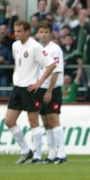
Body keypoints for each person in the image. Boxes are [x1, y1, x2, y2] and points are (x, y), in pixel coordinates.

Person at [6, 20, 57, 164]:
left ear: (27, 32)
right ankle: (25, 150)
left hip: (30, 88)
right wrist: (15, 76)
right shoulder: (15, 45)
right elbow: (18, 62)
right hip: (18, 87)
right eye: (15, 31)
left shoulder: (35, 47)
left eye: (19, 31)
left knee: (33, 122)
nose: (16, 34)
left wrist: (39, 82)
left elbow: (51, 64)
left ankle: (38, 156)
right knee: (9, 121)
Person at [36, 21, 67, 164]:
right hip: (39, 89)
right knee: (46, 122)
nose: (43, 35)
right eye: (41, 32)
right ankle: (51, 153)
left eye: (46, 32)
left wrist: (49, 91)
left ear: (50, 33)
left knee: (54, 120)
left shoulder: (55, 49)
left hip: (52, 89)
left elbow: (56, 71)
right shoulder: (36, 48)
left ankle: (61, 153)